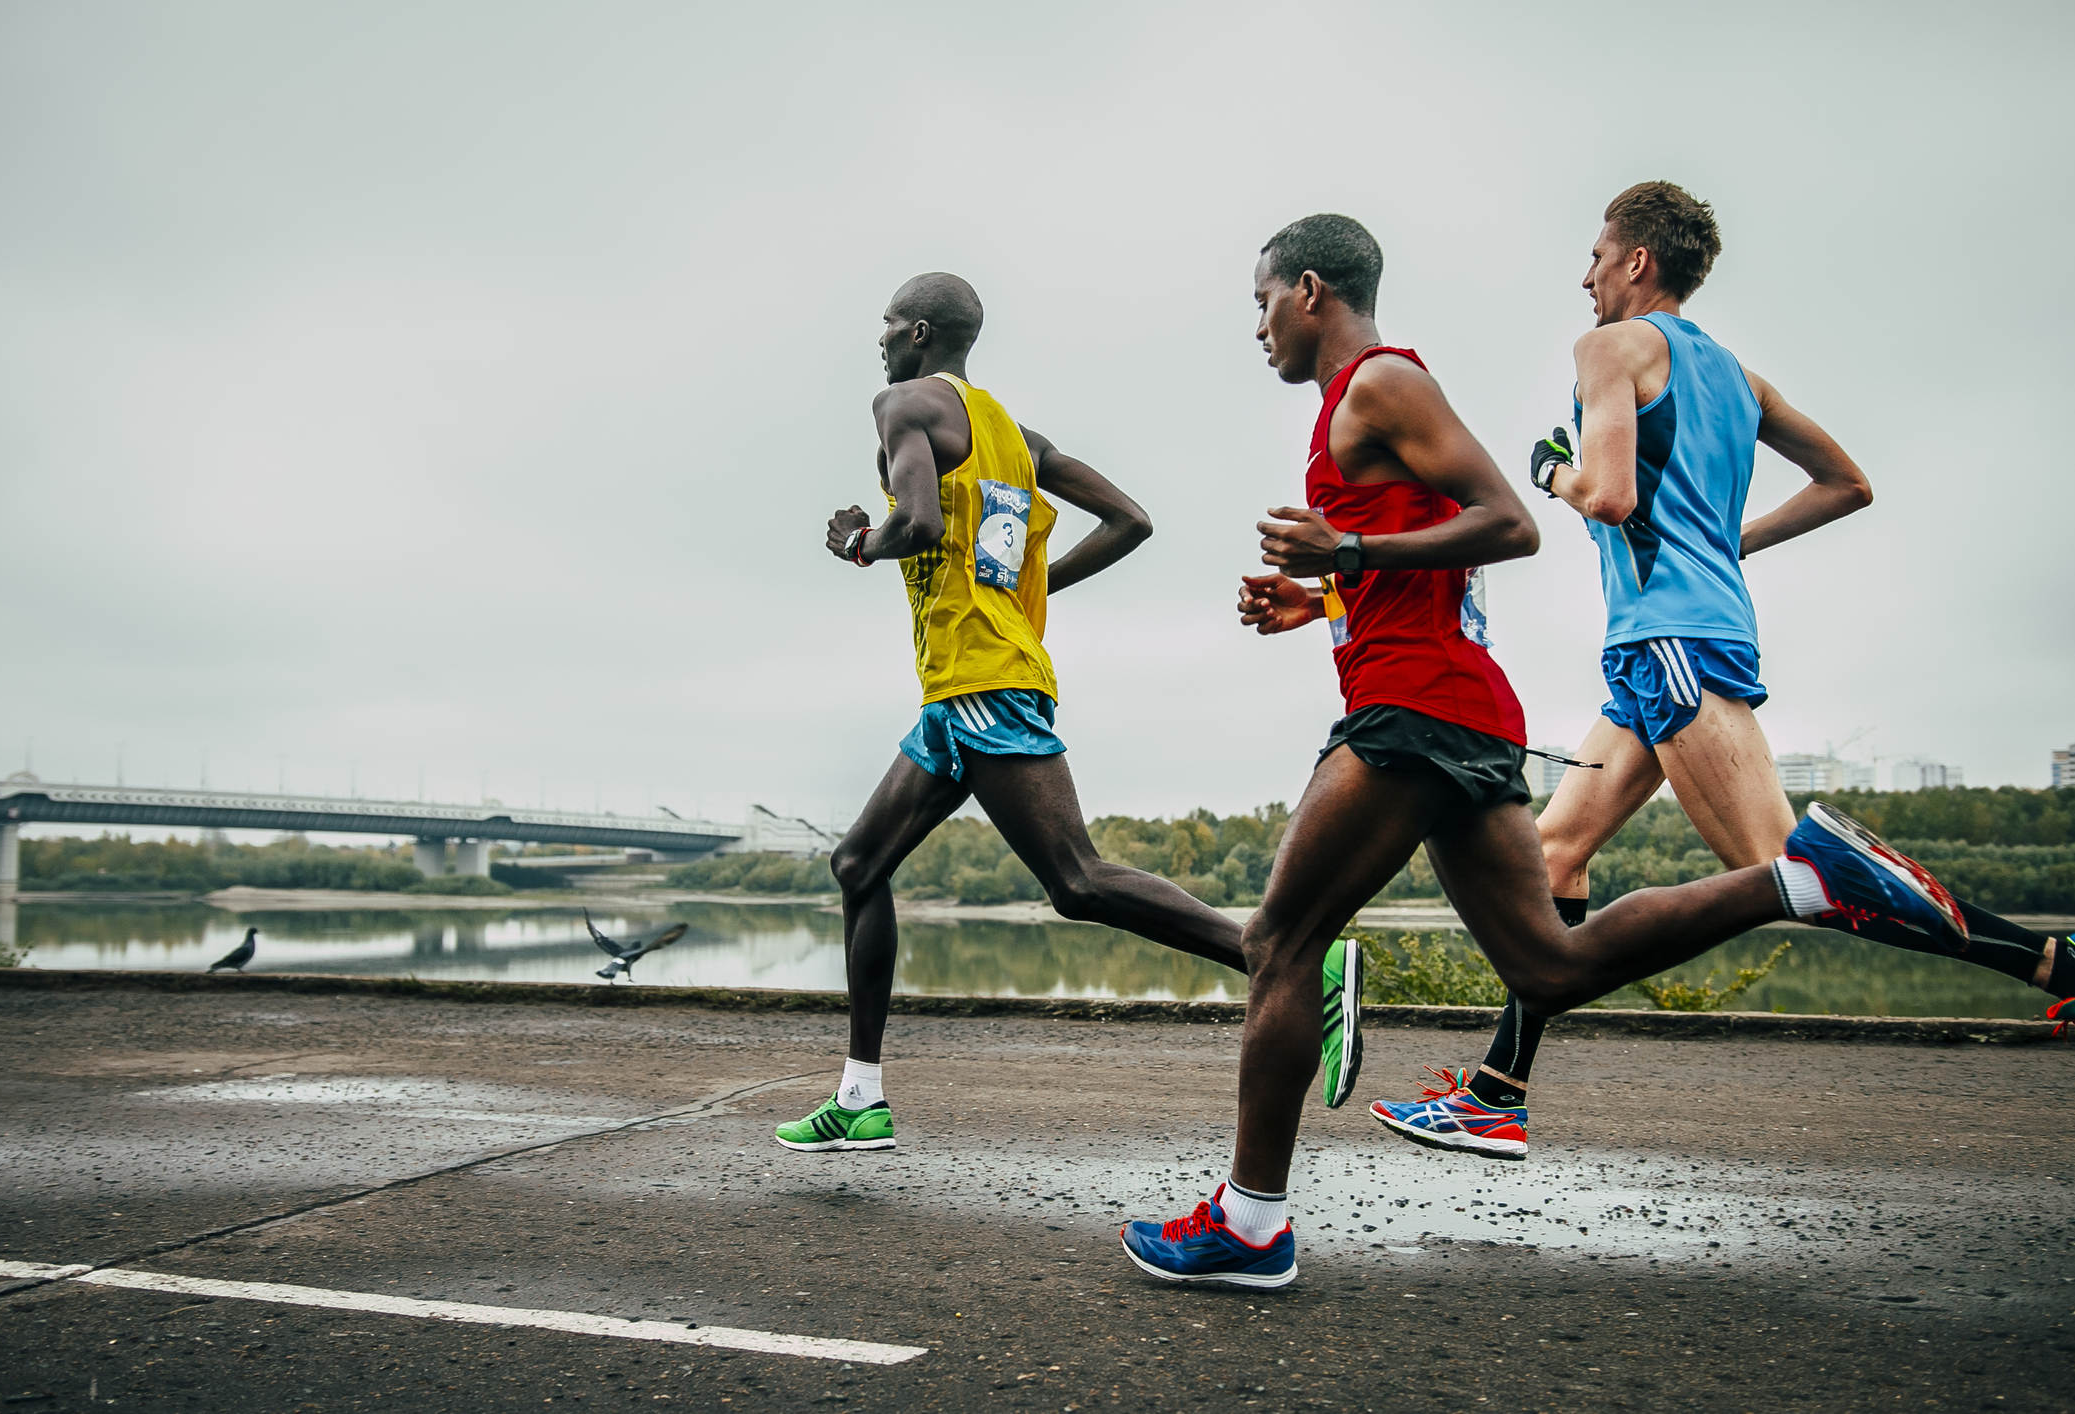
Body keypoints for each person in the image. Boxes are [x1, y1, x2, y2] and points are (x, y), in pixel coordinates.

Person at [1116, 214, 1973, 1288]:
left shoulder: (1381, 383)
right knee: (1548, 964)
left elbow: (1509, 522)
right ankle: (1793, 879)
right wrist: (1321, 594)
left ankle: (1249, 1225)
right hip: (1463, 712)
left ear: (1311, 292)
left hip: (1414, 712)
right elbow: (1428, 556)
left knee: (1282, 945)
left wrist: (1349, 546)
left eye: (1260, 302)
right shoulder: (1364, 403)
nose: (1256, 328)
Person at [1367, 183, 2075, 1162]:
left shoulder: (1610, 349)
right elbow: (1847, 483)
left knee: (1790, 871)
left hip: (1672, 642)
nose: (1585, 275)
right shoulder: (1738, 377)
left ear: (1637, 263)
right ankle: (1497, 1093)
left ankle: (2051, 959)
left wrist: (1551, 472)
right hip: (1671, 645)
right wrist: (1728, 543)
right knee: (1552, 857)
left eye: (1596, 255)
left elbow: (1608, 496)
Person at [774, 272, 1251, 1154]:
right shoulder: (1012, 437)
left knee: (1075, 880)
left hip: (982, 685)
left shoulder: (901, 404)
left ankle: (1270, 955)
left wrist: (854, 544)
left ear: (918, 331)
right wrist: (1033, 589)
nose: (876, 338)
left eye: (885, 324)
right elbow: (1129, 520)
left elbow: (914, 523)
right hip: (956, 694)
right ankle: (860, 1097)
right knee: (857, 864)